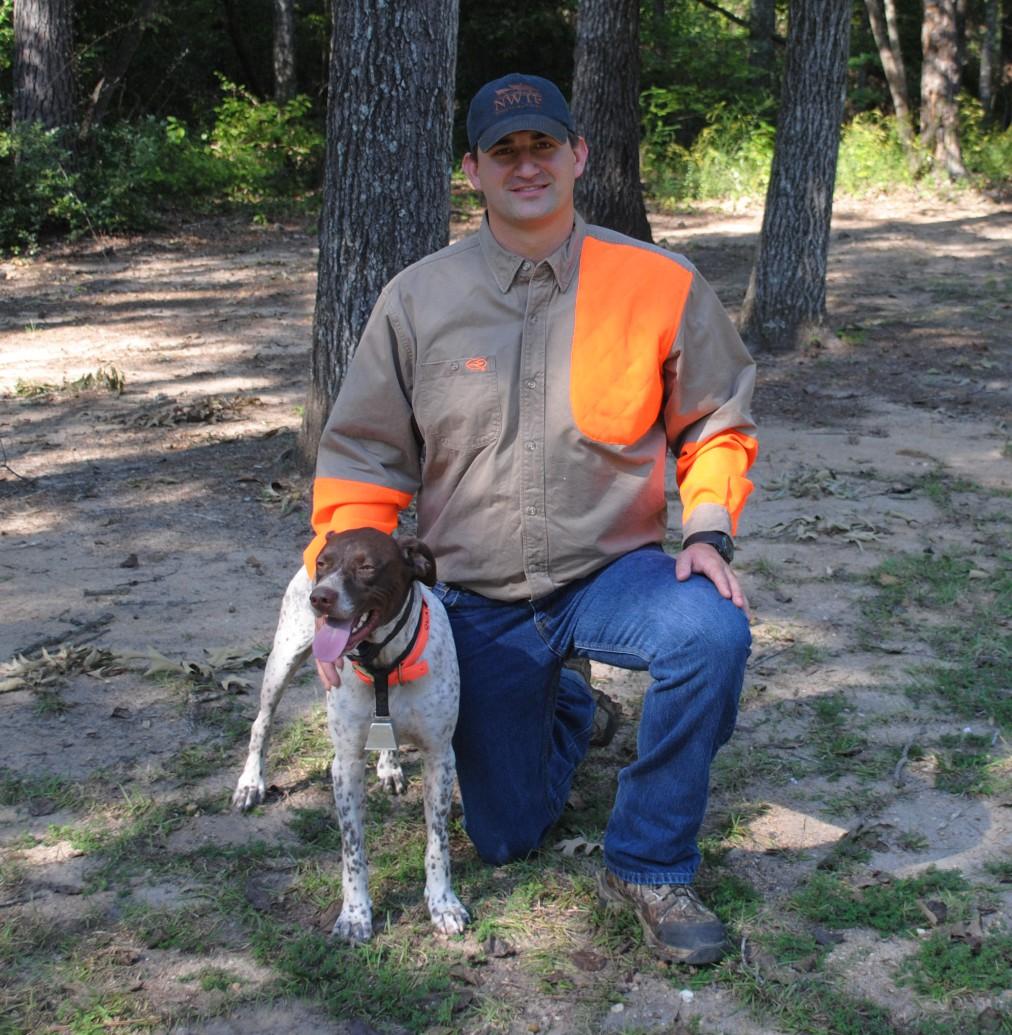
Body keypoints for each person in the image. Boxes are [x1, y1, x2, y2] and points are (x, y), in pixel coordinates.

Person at [305, 74, 757, 965]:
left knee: (710, 631)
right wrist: (350, 612)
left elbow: (716, 420)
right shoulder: (416, 300)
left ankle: (650, 862)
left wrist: (706, 529)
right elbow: (363, 457)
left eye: (543, 146)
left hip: (610, 572)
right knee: (505, 834)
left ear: (578, 155)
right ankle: (571, 703)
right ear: (471, 169)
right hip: (474, 596)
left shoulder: (657, 282)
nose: (526, 166)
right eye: (503, 152)